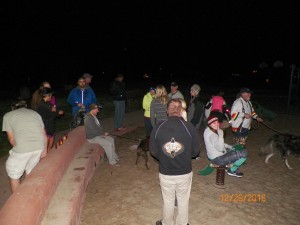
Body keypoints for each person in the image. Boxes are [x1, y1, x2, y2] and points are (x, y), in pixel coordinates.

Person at [150, 99, 200, 225]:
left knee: (168, 200)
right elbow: (195, 152)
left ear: (167, 111)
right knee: (183, 200)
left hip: (166, 172)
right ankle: (182, 223)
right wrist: (182, 156)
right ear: (181, 110)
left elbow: (153, 151)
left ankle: (167, 223)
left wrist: (166, 157)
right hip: (184, 172)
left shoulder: (158, 127)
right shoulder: (189, 127)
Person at [2, 98, 47, 193]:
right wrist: (45, 150)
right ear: (25, 106)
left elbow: (11, 139)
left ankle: (17, 200)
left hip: (23, 148)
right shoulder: (35, 114)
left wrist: (19, 148)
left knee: (13, 173)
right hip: (39, 146)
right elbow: (44, 134)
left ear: (12, 107)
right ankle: (29, 193)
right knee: (30, 170)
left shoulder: (8, 116)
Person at [36, 87, 64, 153]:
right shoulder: (42, 105)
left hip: (50, 126)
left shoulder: (47, 103)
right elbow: (51, 114)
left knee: (50, 145)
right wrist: (57, 113)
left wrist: (58, 111)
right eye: (50, 95)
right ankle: (46, 159)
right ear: (46, 95)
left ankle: (48, 155)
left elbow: (54, 109)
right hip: (46, 127)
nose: (51, 96)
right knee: (46, 145)